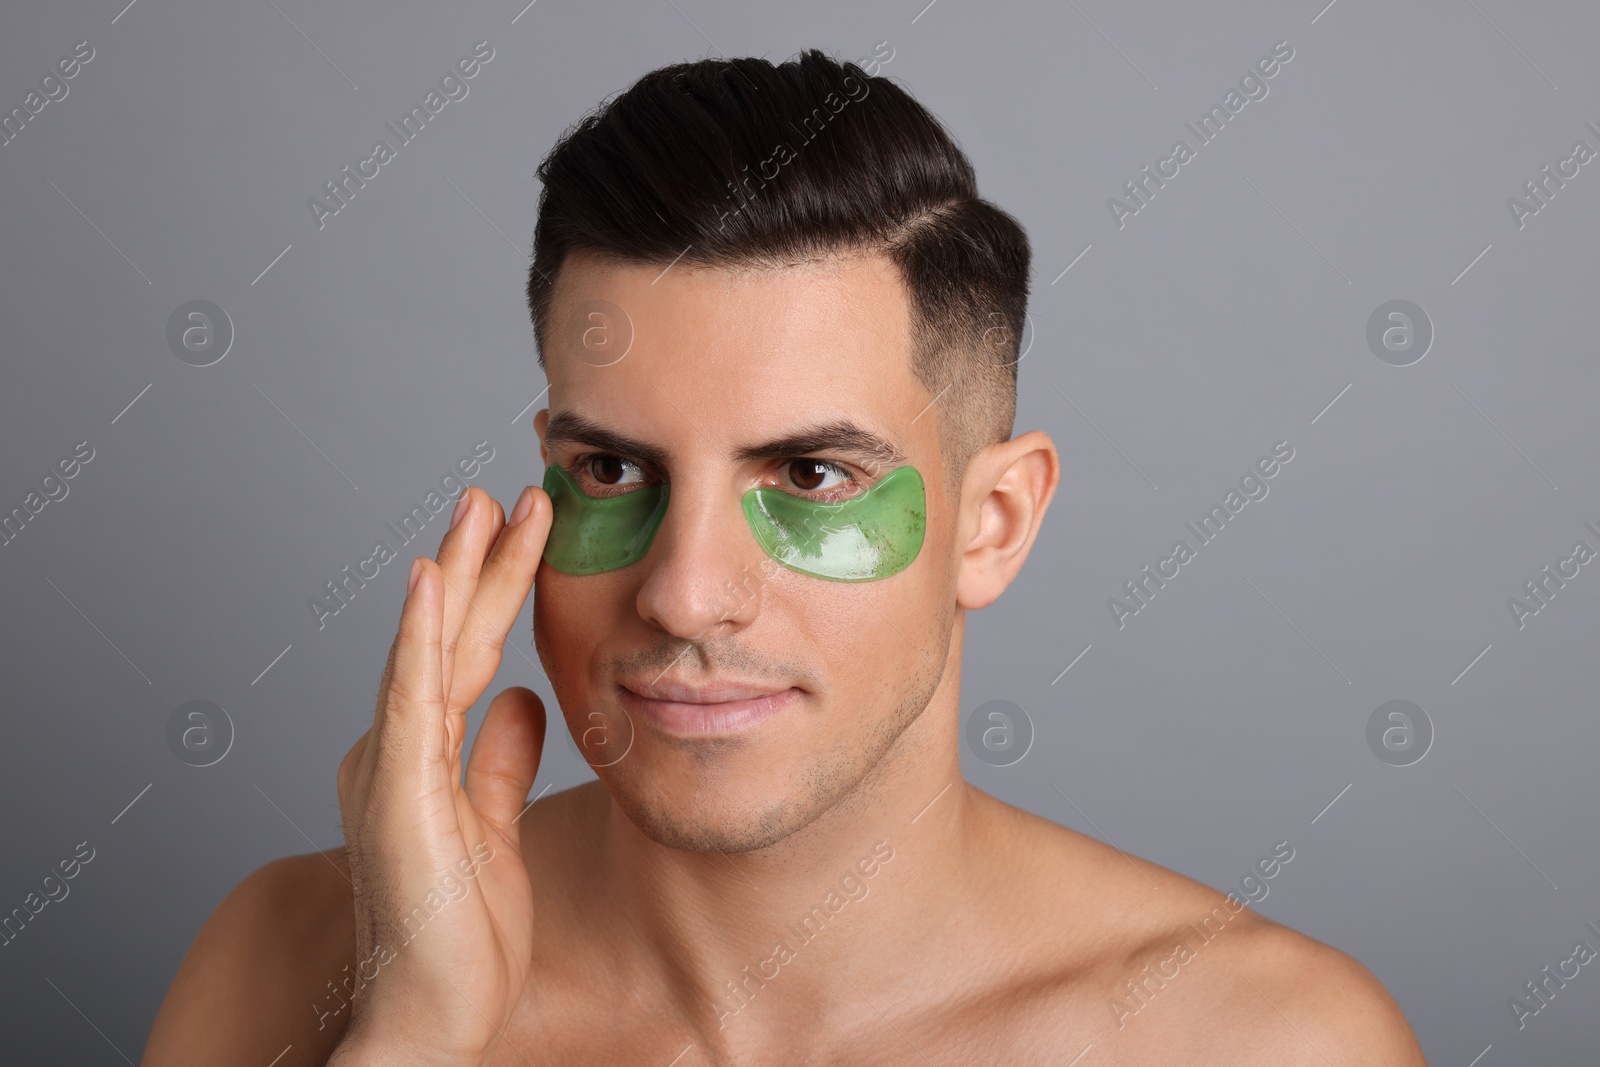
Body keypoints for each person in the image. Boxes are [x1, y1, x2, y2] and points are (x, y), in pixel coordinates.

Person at [142, 50, 1425, 1065]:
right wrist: (416, 1040)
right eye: (611, 471)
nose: (686, 590)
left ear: (994, 521)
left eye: (811, 475)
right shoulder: (289, 960)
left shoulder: (1258, 1041)